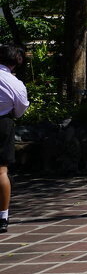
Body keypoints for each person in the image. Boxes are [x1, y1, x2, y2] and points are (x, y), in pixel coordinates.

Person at [0, 45, 29, 235]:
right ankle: (3, 216)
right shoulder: (15, 83)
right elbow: (20, 109)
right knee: (1, 171)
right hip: (2, 124)